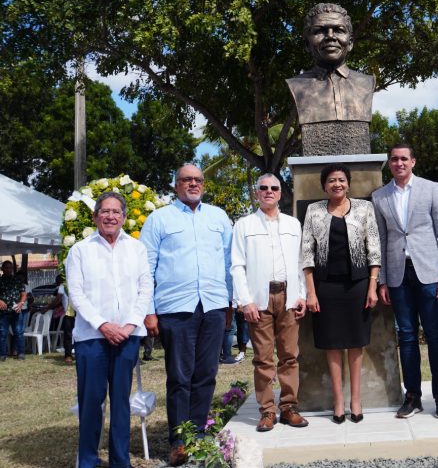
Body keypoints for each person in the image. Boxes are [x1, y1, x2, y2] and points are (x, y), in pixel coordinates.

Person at [140, 164, 233, 467]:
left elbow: (231, 262)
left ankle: (198, 435)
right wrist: (149, 312)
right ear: (176, 185)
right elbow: (145, 269)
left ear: (203, 184)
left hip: (213, 306)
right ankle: (179, 441)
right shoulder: (159, 219)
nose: (193, 184)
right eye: (186, 180)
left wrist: (230, 304)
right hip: (175, 309)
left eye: (198, 180)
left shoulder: (218, 217)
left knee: (206, 374)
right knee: (180, 377)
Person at [65, 191, 153, 468]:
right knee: (91, 402)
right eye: (105, 211)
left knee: (121, 402)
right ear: (95, 216)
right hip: (92, 337)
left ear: (124, 217)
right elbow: (76, 295)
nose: (111, 216)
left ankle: (119, 460)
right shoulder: (80, 250)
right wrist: (103, 325)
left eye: (116, 212)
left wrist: (128, 326)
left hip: (127, 337)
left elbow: (145, 289)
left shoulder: (136, 249)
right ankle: (89, 460)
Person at [372, 143, 438, 419]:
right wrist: (382, 280)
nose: (399, 163)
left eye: (404, 158)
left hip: (429, 274)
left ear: (413, 161)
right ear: (389, 163)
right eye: (394, 159)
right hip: (398, 275)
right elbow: (381, 240)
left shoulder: (431, 189)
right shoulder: (380, 196)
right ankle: (413, 396)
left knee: (435, 335)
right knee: (406, 337)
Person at [302, 164, 380, 423]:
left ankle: (355, 401)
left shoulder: (364, 208)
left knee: (356, 343)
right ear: (324, 186)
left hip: (357, 285)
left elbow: (374, 249)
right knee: (332, 344)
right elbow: (307, 254)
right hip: (326, 287)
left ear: (348, 183)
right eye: (332, 180)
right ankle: (337, 401)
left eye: (342, 180)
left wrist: (372, 286)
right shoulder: (313, 211)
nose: (337, 184)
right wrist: (311, 293)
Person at [231, 173, 309, 432]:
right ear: (256, 193)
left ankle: (288, 407)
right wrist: (245, 301)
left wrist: (302, 296)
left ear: (280, 193)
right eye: (263, 188)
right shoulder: (244, 225)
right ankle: (267, 411)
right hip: (259, 299)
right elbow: (237, 266)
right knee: (263, 359)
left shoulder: (292, 224)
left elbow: (300, 263)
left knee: (289, 356)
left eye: (274, 188)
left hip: (288, 296)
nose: (269, 191)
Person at [286, 3, 375, 155]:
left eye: (339, 30)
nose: (330, 36)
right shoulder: (297, 85)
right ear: (307, 44)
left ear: (351, 42)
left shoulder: (367, 82)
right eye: (319, 31)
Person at [0, 260, 28, 361]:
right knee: (2, 333)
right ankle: (2, 355)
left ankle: (21, 353)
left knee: (19, 332)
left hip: (16, 310)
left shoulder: (17, 280)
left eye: (10, 268)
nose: (8, 269)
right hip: (3, 312)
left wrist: (21, 303)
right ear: (2, 269)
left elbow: (24, 294)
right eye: (6, 267)